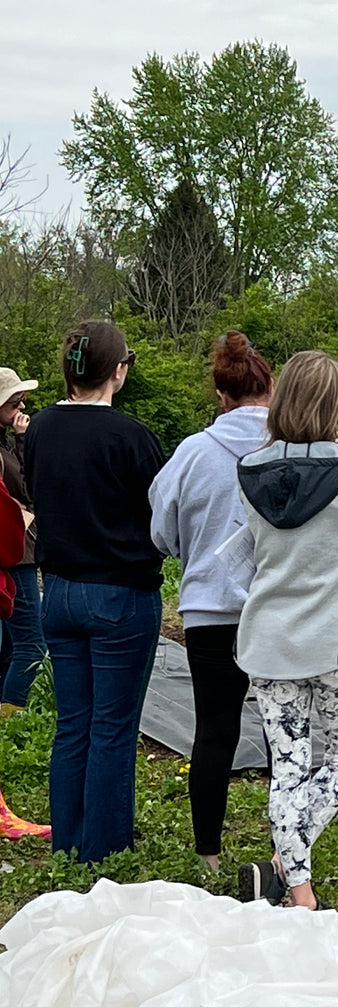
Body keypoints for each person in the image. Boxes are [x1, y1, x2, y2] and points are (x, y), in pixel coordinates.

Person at [233, 351, 338, 910]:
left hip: (268, 640)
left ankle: (292, 877)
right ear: (334, 403)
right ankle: (297, 884)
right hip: (337, 639)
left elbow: (245, 552)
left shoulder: (248, 469)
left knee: (288, 765)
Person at [25, 322, 165, 863]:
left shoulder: (38, 429)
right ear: (119, 370)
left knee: (72, 723)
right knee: (112, 726)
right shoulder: (130, 437)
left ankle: (68, 841)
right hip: (118, 596)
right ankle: (103, 852)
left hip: (56, 591)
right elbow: (161, 518)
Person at [149, 332, 273, 869]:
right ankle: (287, 851)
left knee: (214, 731)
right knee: (283, 733)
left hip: (209, 610)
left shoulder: (194, 451)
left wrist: (191, 554)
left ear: (220, 396)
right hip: (276, 610)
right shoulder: (288, 449)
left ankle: (209, 855)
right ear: (269, 389)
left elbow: (161, 524)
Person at [0, 367, 44, 713]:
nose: (20, 408)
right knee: (31, 644)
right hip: (16, 552)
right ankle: (13, 719)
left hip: (14, 550)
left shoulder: (5, 440)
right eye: (14, 402)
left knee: (11, 644)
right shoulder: (6, 446)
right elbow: (30, 489)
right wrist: (23, 441)